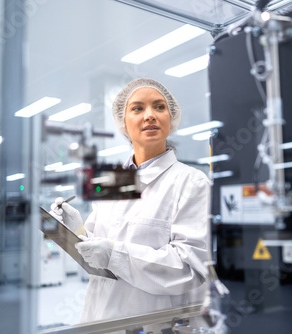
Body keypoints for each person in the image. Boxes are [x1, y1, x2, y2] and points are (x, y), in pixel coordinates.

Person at [50, 78, 211, 324]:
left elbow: (190, 268)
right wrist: (75, 229)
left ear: (171, 118)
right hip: (101, 317)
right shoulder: (113, 180)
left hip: (155, 322)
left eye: (159, 107)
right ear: (123, 122)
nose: (150, 115)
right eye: (137, 108)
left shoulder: (191, 182)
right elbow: (96, 254)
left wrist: (116, 255)